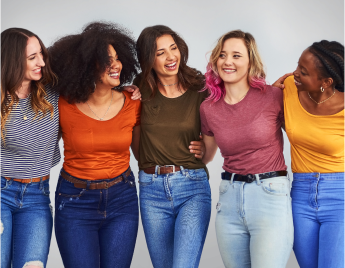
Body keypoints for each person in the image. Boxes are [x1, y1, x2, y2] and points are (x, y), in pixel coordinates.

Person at [49, 22, 141, 268]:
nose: (116, 65)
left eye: (118, 58)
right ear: (86, 66)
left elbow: (145, 152)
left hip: (122, 199)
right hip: (75, 201)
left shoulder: (133, 100)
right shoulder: (63, 104)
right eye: (107, 60)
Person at [201, 30, 293, 268]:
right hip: (229, 197)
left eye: (236, 55)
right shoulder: (208, 108)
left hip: (270, 196)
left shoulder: (274, 96)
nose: (227, 61)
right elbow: (207, 155)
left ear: (250, 61)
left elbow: (301, 132)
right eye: (222, 55)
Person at [134, 25, 211, 268]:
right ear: (148, 59)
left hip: (192, 187)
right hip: (151, 190)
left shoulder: (201, 87)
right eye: (160, 53)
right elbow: (136, 143)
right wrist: (150, 161)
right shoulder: (139, 91)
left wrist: (207, 149)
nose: (170, 57)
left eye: (173, 48)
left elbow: (221, 119)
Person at [273, 40, 345, 268]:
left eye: (303, 72)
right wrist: (268, 96)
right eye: (297, 66)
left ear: (326, 82)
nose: (294, 73)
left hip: (340, 195)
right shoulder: (288, 89)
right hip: (300, 194)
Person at [0, 28, 59, 268]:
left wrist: (127, 90)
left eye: (41, 54)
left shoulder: (53, 94)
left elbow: (95, 91)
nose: (41, 62)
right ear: (13, 60)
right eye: (32, 57)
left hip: (37, 196)